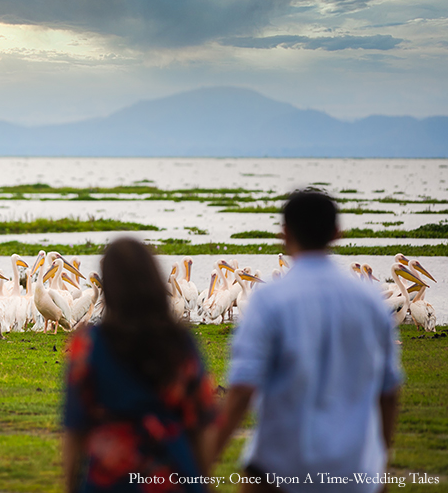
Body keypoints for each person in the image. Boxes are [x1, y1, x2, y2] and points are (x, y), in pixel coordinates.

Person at [213, 190, 402, 492]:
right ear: (337, 234)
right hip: (353, 473)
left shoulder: (268, 300)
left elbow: (242, 388)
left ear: (284, 234)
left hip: (279, 470)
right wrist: (379, 463)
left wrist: (205, 461)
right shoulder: (369, 300)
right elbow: (389, 393)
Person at [63, 237, 217, 493]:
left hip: (110, 478)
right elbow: (200, 423)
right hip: (171, 476)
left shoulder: (88, 344)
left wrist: (72, 485)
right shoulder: (180, 341)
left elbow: (75, 428)